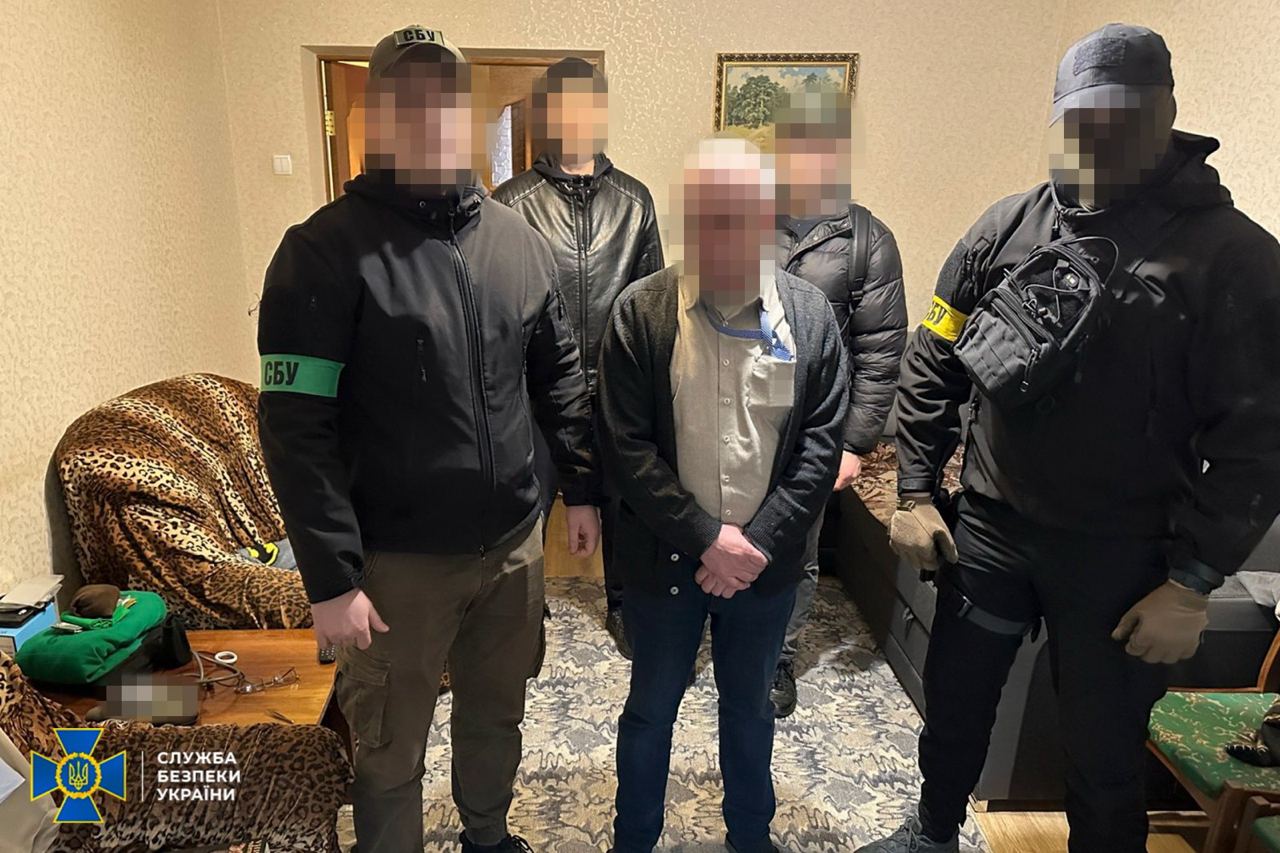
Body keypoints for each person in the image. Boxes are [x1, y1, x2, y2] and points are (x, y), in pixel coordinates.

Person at [859, 23, 1280, 853]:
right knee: (954, 713)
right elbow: (934, 357)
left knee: (1103, 759)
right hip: (989, 532)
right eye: (1082, 118)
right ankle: (932, 835)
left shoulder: (1235, 259)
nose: (1100, 136)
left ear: (1165, 115)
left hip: (1124, 558)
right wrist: (914, 491)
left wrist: (1194, 582)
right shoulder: (1006, 228)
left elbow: (1259, 442)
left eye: (1123, 117)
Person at [256, 26, 599, 853]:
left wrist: (583, 489)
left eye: (445, 99)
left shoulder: (519, 243)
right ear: (378, 115)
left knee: (496, 714)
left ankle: (487, 834)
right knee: (389, 746)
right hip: (395, 566)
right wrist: (331, 578)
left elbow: (559, 377)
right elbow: (295, 427)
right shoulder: (320, 253)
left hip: (512, 550)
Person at [598, 137, 848, 853]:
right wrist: (707, 538)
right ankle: (633, 839)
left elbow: (820, 445)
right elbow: (626, 448)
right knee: (650, 713)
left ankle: (750, 837)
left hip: (764, 567)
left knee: (749, 712)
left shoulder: (809, 317)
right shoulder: (641, 313)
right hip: (664, 561)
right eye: (708, 214)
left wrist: (755, 544)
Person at [492, 57, 664, 658]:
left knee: (622, 504)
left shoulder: (635, 201)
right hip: (534, 386)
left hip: (617, 386)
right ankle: (521, 610)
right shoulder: (511, 202)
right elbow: (495, 304)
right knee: (527, 503)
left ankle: (622, 604)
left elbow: (650, 302)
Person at [770, 89, 908, 718]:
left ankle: (777, 656)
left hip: (816, 427)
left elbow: (881, 353)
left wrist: (854, 444)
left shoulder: (867, 240)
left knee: (796, 549)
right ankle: (725, 633)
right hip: (741, 417)